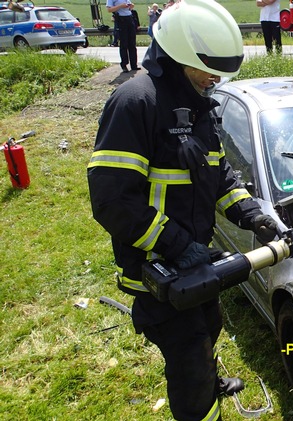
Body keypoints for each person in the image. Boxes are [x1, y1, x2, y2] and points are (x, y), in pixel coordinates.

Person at [87, 0, 279, 420]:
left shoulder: (198, 107)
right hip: (157, 269)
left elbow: (219, 176)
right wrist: (176, 245)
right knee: (188, 360)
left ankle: (210, 382)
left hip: (195, 262)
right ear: (177, 56)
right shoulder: (135, 103)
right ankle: (201, 404)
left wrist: (253, 216)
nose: (215, 79)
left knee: (208, 328)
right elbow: (112, 201)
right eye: (207, 68)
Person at [106, 0, 139, 72]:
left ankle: (134, 65)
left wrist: (131, 6)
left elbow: (130, 6)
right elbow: (109, 9)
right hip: (121, 19)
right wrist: (120, 6)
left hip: (129, 18)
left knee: (132, 43)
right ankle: (124, 64)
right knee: (124, 43)